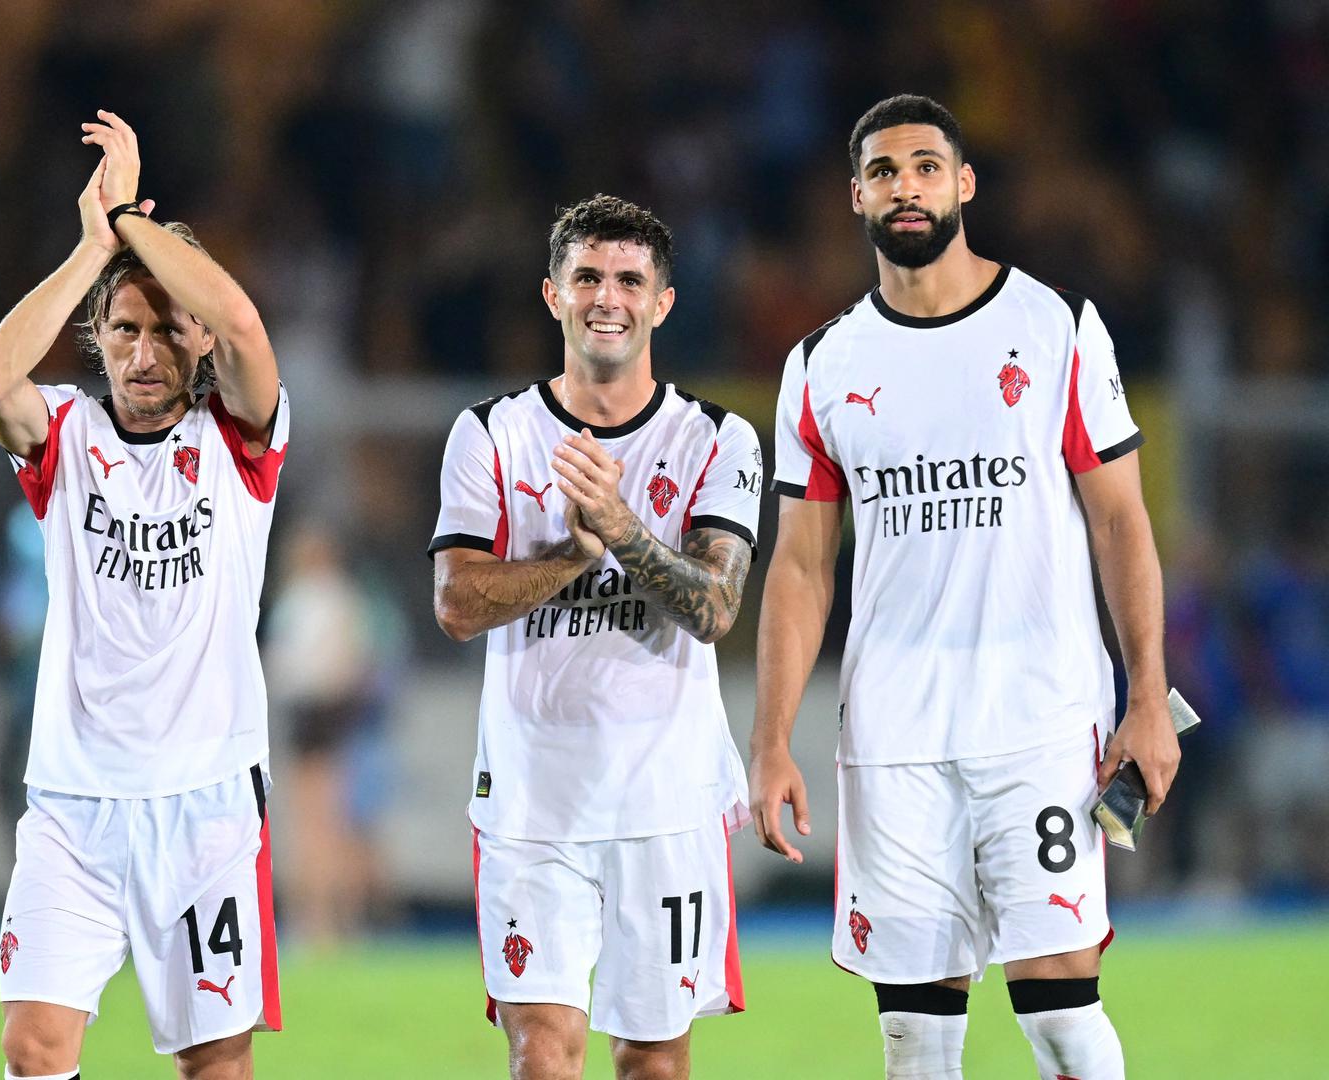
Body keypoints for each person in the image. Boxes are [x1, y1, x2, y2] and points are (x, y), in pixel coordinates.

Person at [749, 94, 1180, 1080]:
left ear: (963, 184)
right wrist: (770, 741)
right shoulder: (819, 366)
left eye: (925, 167)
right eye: (884, 172)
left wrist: (1147, 696)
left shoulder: (1055, 327)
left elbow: (1121, 521)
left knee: (1061, 1017)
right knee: (913, 1038)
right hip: (894, 734)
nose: (906, 187)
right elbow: (801, 566)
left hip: (1039, 719)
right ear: (855, 196)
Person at [0, 110, 290, 1080]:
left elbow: (243, 324)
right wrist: (92, 248)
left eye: (165, 330)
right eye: (123, 330)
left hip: (206, 803)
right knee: (33, 1044)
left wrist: (132, 222)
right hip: (73, 802)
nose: (144, 353)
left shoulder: (236, 439)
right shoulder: (65, 433)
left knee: (213, 1061)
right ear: (97, 340)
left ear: (197, 343)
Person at [430, 195, 760, 1080]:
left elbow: (715, 608)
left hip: (667, 798)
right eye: (586, 277)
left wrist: (619, 527)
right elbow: (456, 604)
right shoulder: (492, 432)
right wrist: (571, 557)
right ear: (552, 295)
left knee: (653, 1061)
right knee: (541, 1054)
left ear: (663, 303)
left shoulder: (716, 438)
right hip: (531, 801)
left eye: (628, 280)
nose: (606, 297)